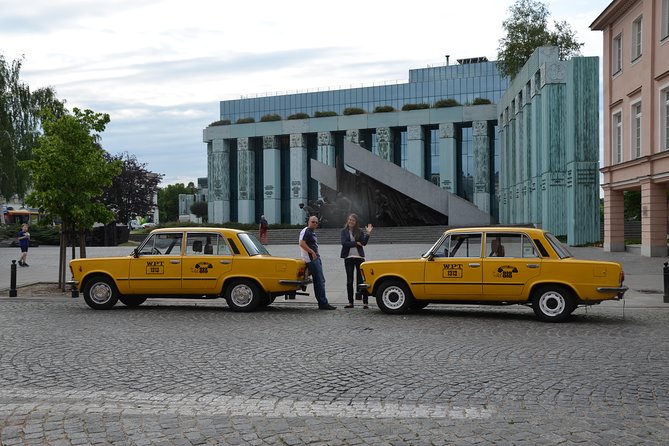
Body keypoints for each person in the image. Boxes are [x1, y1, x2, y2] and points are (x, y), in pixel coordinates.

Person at [299, 216, 336, 310]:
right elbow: (301, 243)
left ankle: (322, 302)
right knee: (319, 281)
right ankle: (323, 303)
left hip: (315, 258)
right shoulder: (306, 231)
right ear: (308, 222)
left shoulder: (311, 232)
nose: (315, 224)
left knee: (320, 280)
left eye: (316, 222)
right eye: (313, 222)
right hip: (311, 259)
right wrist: (312, 252)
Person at [340, 214, 372, 309]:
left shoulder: (360, 231)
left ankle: (365, 303)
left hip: (359, 258)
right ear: (347, 220)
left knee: (361, 281)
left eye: (353, 220)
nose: (351, 222)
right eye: (350, 220)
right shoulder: (344, 231)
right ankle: (350, 302)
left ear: (356, 222)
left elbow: (364, 243)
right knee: (349, 281)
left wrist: (368, 234)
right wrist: (355, 243)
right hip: (348, 258)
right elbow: (344, 243)